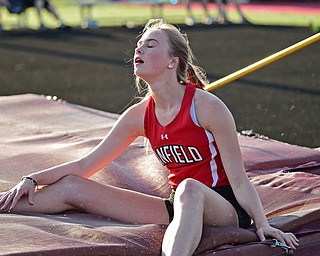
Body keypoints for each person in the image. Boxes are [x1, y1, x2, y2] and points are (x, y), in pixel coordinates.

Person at [0, 19, 298, 255]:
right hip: (176, 205)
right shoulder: (139, 114)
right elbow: (85, 165)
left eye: (150, 45)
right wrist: (32, 179)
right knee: (72, 187)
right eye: (138, 46)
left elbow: (240, 180)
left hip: (223, 206)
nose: (138, 51)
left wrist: (263, 224)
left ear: (173, 61)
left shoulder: (206, 107)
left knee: (190, 189)